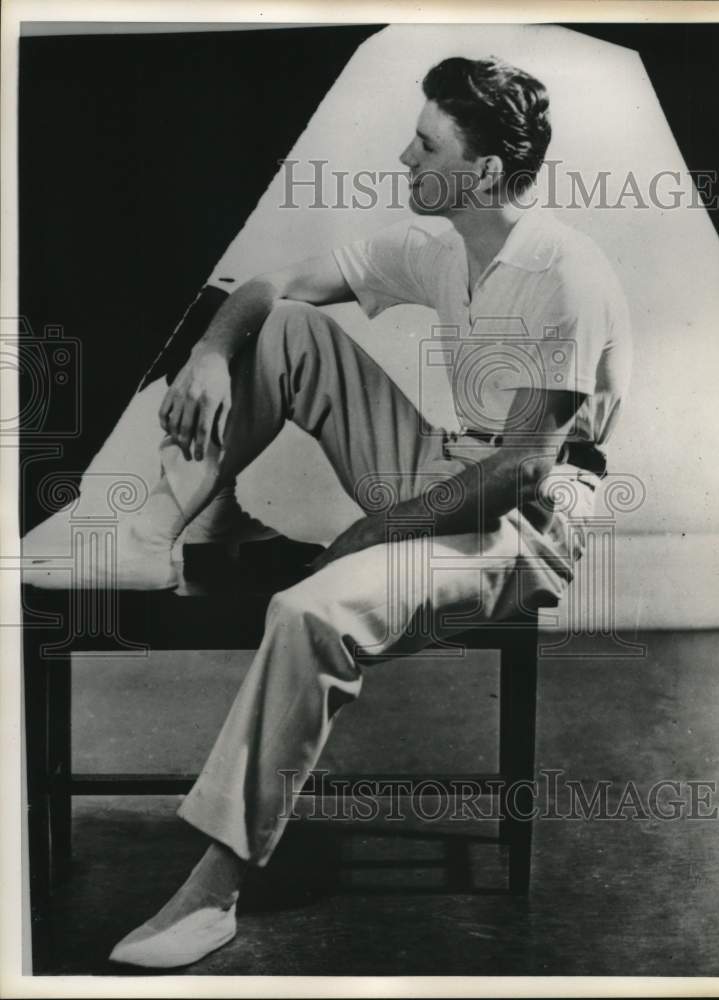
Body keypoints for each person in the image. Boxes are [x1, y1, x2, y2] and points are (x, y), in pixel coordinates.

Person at [36, 55, 633, 967]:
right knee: (279, 329)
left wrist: (366, 533)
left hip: (524, 521)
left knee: (310, 611)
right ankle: (172, 526)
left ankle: (214, 891)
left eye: (425, 145)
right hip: (446, 465)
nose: (404, 155)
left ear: (478, 172)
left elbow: (521, 470)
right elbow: (275, 288)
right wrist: (208, 356)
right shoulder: (439, 242)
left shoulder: (564, 272)